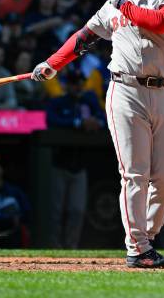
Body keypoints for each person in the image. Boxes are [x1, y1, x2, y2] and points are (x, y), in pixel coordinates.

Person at [31, 0, 164, 268]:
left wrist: (122, 6)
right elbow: (83, 37)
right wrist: (52, 64)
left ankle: (143, 237)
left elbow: (160, 22)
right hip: (125, 90)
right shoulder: (114, 6)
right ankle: (138, 247)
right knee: (134, 173)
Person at [46, 69, 105, 248]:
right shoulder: (58, 102)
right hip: (59, 164)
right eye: (73, 82)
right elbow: (51, 120)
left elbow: (103, 117)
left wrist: (96, 123)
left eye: (80, 82)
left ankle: (71, 247)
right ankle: (54, 246)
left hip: (80, 165)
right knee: (56, 211)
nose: (77, 86)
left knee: (77, 211)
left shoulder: (89, 100)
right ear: (66, 84)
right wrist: (77, 124)